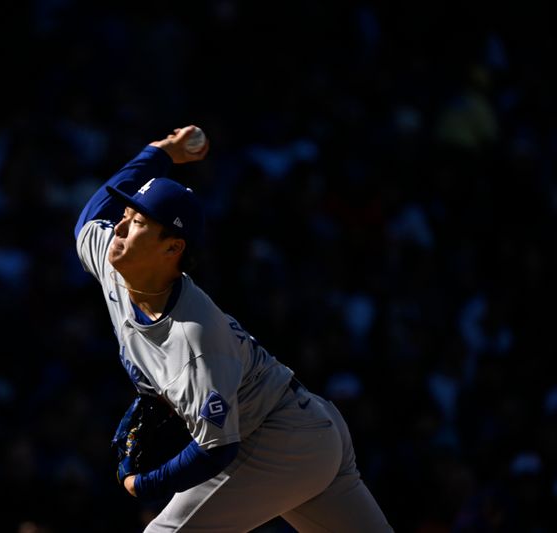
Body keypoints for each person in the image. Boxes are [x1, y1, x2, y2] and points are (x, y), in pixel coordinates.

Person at [74, 125, 393, 532]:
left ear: (172, 249)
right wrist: (159, 152)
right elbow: (89, 217)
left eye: (136, 223)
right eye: (125, 215)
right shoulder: (113, 261)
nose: (117, 228)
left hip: (275, 439)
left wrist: (145, 484)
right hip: (306, 430)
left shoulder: (195, 336)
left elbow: (217, 449)